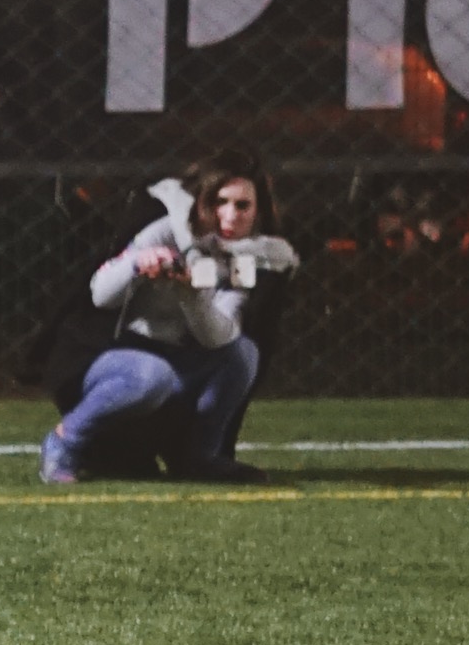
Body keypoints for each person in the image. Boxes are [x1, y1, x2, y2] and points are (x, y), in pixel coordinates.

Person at [38, 151, 298, 486]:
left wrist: (191, 295)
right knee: (152, 375)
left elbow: (219, 336)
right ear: (201, 201)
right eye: (219, 202)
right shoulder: (164, 231)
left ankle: (200, 456)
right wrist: (136, 264)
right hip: (116, 356)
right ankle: (65, 441)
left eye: (242, 205)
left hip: (180, 360)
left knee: (242, 354)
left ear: (258, 211)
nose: (230, 216)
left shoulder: (250, 258)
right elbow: (100, 294)